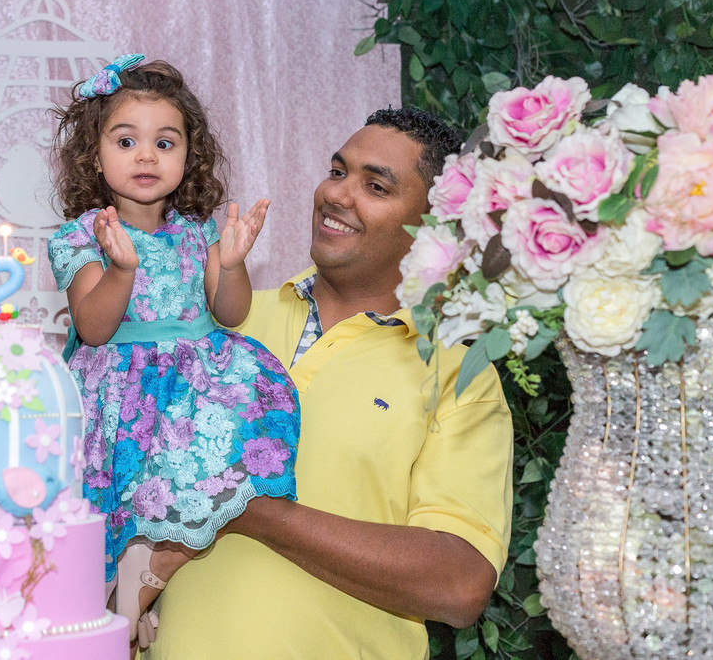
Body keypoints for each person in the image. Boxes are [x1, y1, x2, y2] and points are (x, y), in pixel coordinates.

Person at [145, 107, 514, 659]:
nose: (337, 194)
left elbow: (459, 583)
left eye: (375, 186)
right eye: (338, 171)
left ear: (435, 227)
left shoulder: (458, 373)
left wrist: (254, 510)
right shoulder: (216, 318)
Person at [46, 55, 300, 644]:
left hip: (193, 390)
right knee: (120, 500)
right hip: (120, 395)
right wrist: (121, 268)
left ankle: (139, 587)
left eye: (164, 143)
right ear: (95, 155)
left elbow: (230, 313)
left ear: (189, 156)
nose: (146, 156)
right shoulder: (81, 236)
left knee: (189, 483)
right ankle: (112, 605)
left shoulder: (198, 231)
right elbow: (94, 327)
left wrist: (230, 264)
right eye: (126, 141)